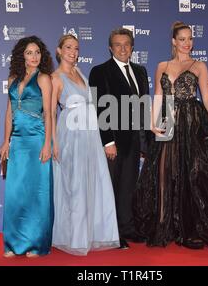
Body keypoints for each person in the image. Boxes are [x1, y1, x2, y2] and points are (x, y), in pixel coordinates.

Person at [134, 22, 208, 249]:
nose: (187, 43)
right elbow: (158, 95)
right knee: (163, 172)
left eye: (190, 39)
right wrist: (151, 122)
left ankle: (189, 227)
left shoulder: (199, 66)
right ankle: (163, 224)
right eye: (183, 39)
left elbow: (206, 97)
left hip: (190, 120)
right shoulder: (162, 65)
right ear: (173, 42)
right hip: (167, 117)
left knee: (190, 173)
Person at [50, 34, 120, 255]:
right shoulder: (55, 77)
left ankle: (93, 234)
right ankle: (74, 237)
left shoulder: (80, 73)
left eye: (77, 48)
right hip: (71, 135)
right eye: (68, 47)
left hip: (90, 134)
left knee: (94, 183)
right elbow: (51, 113)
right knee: (75, 186)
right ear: (59, 50)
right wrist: (54, 142)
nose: (73, 52)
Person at [89, 28, 151, 249]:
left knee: (128, 186)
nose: (123, 48)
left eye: (127, 44)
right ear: (110, 48)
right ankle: (112, 232)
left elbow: (144, 106)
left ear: (132, 47)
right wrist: (108, 142)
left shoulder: (140, 71)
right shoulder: (100, 71)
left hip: (134, 140)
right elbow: (99, 108)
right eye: (118, 44)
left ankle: (127, 227)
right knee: (112, 187)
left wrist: (147, 139)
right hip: (113, 142)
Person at [0, 36, 54, 258]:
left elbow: (49, 113)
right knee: (15, 194)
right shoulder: (12, 78)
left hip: (36, 140)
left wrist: (47, 143)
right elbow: (9, 112)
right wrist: (5, 140)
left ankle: (35, 243)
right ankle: (12, 243)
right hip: (18, 141)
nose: (34, 56)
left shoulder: (44, 79)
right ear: (22, 54)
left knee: (36, 194)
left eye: (38, 52)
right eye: (30, 52)